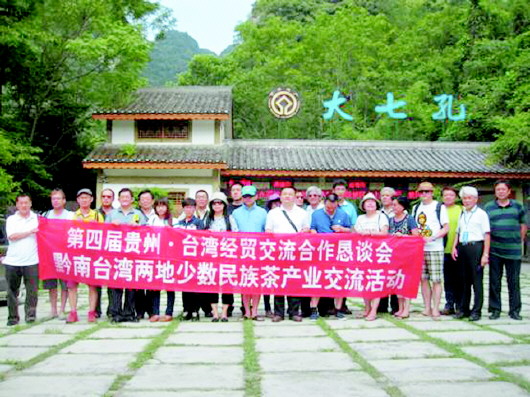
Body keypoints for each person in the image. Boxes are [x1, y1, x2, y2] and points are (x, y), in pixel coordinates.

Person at [484, 180, 527, 320]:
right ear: (495, 192)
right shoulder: (488, 207)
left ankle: (515, 310)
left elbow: (523, 226)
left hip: (513, 251)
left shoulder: (518, 206)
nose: (501, 192)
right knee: (494, 281)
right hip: (495, 250)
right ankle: (495, 309)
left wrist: (516, 240)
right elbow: (486, 229)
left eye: (503, 189)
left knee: (513, 281)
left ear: (509, 191)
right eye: (498, 189)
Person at [266, 187, 310, 322]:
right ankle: (279, 313)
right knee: (278, 282)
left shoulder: (303, 213)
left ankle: (294, 312)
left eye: (290, 194)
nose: (287, 196)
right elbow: (268, 231)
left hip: (296, 251)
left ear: (295, 196)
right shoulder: (273, 213)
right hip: (278, 252)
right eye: (284, 194)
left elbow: (306, 229)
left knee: (294, 281)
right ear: (280, 197)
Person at [309, 193, 351, 320]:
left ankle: (338, 309)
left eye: (333, 207)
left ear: (337, 203)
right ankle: (313, 309)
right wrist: (315, 235)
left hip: (339, 251)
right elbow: (312, 229)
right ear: (324, 202)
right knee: (318, 279)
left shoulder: (343, 214)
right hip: (321, 251)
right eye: (328, 207)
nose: (330, 209)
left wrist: (342, 229)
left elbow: (350, 231)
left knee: (338, 279)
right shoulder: (316, 214)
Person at [106, 188, 145, 322]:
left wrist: (138, 227)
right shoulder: (111, 214)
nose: (125, 199)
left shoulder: (138, 214)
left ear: (132, 199)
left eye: (127, 197)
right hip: (116, 255)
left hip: (133, 255)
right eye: (122, 197)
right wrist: (111, 226)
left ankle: (129, 312)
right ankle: (115, 312)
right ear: (118, 199)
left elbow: (147, 233)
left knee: (131, 285)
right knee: (115, 285)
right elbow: (103, 233)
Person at [451, 186, 490, 321]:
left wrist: (485, 254)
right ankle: (463, 309)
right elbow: (458, 232)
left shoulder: (481, 214)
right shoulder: (463, 213)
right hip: (463, 247)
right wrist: (454, 247)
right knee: (463, 281)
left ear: (475, 199)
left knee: (476, 281)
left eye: (469, 198)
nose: (466, 201)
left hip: (476, 247)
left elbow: (487, 234)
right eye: (464, 198)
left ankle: (476, 311)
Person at [412, 181, 449, 320]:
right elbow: (414, 227)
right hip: (420, 248)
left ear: (432, 193)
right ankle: (426, 307)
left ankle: (435, 308)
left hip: (435, 247)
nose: (424, 194)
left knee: (437, 280)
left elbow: (446, 227)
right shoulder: (416, 207)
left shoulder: (439, 207)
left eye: (427, 191)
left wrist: (432, 237)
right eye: (421, 191)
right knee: (423, 279)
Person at [68, 188, 105, 323]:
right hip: (75, 254)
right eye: (81, 198)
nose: (84, 200)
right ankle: (73, 312)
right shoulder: (72, 216)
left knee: (92, 285)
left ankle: (91, 311)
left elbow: (103, 234)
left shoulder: (97, 216)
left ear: (91, 199)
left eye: (87, 197)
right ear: (77, 200)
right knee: (72, 285)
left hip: (92, 255)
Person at [3, 194, 39, 326]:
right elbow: (12, 236)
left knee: (32, 290)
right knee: (12, 290)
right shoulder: (12, 220)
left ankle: (30, 315)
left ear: (30, 204)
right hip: (13, 261)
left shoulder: (37, 218)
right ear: (17, 205)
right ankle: (12, 316)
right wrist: (30, 232)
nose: (24, 205)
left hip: (32, 260)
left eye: (26, 203)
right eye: (21, 203)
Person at [233, 185, 268, 321]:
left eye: (250, 196)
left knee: (257, 283)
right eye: (245, 196)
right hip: (242, 252)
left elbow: (267, 232)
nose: (248, 199)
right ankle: (246, 311)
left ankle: (255, 311)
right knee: (245, 283)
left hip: (258, 252)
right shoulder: (235, 213)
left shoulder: (263, 212)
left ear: (256, 197)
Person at [204, 192, 239, 322]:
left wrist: (224, 235)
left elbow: (236, 235)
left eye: (220, 203)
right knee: (212, 285)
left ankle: (224, 312)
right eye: (214, 203)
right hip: (211, 256)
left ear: (224, 205)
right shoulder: (207, 218)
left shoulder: (229, 219)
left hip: (226, 256)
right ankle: (214, 313)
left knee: (226, 285)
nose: (217, 205)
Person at [354, 192, 389, 321]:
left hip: (378, 253)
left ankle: (374, 310)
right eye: (367, 202)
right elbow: (356, 233)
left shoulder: (382, 217)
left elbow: (384, 233)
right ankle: (367, 308)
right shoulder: (360, 218)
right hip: (363, 252)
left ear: (376, 204)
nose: (370, 203)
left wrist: (369, 233)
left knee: (375, 280)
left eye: (372, 202)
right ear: (363, 205)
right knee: (364, 282)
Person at [43, 188, 72, 319]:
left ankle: (62, 309)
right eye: (53, 199)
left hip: (65, 254)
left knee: (65, 284)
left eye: (58, 198)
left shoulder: (70, 215)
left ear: (64, 200)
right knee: (51, 284)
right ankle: (53, 309)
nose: (55, 201)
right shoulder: (46, 215)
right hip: (49, 254)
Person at [174, 197, 205, 321]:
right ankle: (186, 309)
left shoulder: (198, 222)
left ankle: (195, 310)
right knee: (184, 284)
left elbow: (202, 239)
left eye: (191, 207)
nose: (189, 209)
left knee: (195, 285)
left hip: (195, 258)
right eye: (186, 207)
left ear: (195, 208)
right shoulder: (179, 223)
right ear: (183, 208)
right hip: (182, 258)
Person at [389, 197, 419, 319]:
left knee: (407, 282)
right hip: (395, 255)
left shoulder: (409, 219)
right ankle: (400, 308)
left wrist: (403, 236)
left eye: (395, 205)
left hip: (408, 255)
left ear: (402, 206)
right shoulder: (390, 220)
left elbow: (416, 236)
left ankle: (406, 309)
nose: (393, 207)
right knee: (397, 282)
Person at [148, 198, 178, 322]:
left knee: (170, 286)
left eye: (163, 206)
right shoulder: (152, 220)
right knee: (155, 286)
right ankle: (155, 312)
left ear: (167, 207)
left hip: (170, 257)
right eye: (158, 206)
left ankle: (169, 312)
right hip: (156, 257)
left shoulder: (174, 221)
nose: (160, 208)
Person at [441, 186, 462, 316]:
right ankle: (449, 305)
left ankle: (460, 305)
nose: (448, 197)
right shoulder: (438, 209)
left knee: (459, 279)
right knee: (447, 279)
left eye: (451, 195)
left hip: (458, 249)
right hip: (442, 250)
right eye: (446, 195)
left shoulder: (461, 210)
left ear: (456, 197)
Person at [136, 189, 156, 320]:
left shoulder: (158, 214)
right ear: (139, 202)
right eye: (142, 199)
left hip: (154, 252)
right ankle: (139, 310)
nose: (145, 201)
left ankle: (151, 310)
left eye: (148, 199)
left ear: (152, 201)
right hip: (137, 252)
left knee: (152, 284)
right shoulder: (135, 214)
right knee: (138, 284)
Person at [378, 186, 398, 315]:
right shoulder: (378, 212)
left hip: (396, 249)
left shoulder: (399, 211)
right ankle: (382, 305)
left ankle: (395, 306)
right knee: (382, 276)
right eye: (382, 195)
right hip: (381, 249)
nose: (384, 197)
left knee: (395, 276)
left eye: (387, 195)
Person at [97, 188, 115, 318]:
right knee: (96, 283)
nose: (106, 199)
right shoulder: (94, 213)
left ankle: (111, 309)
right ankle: (96, 310)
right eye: (104, 196)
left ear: (113, 199)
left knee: (112, 283)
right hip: (97, 252)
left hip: (112, 252)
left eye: (109, 196)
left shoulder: (117, 213)